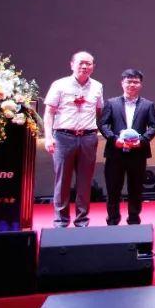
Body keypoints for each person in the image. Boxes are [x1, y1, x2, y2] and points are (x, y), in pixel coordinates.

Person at [43, 51, 103, 228]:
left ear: (93, 67)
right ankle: (61, 221)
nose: (84, 66)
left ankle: (82, 221)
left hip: (88, 138)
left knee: (85, 182)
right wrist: (48, 137)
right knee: (62, 180)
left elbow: (99, 111)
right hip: (63, 137)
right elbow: (49, 112)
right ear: (72, 65)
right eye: (80, 63)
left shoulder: (97, 86)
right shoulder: (59, 84)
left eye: (88, 64)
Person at [98, 69, 155, 225]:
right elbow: (103, 124)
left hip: (138, 153)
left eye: (135, 82)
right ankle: (113, 220)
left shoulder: (148, 105)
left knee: (136, 189)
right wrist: (114, 139)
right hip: (115, 152)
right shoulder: (111, 103)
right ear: (122, 83)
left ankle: (134, 219)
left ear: (141, 85)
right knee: (113, 189)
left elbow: (153, 126)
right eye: (129, 81)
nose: (132, 84)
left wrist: (142, 140)